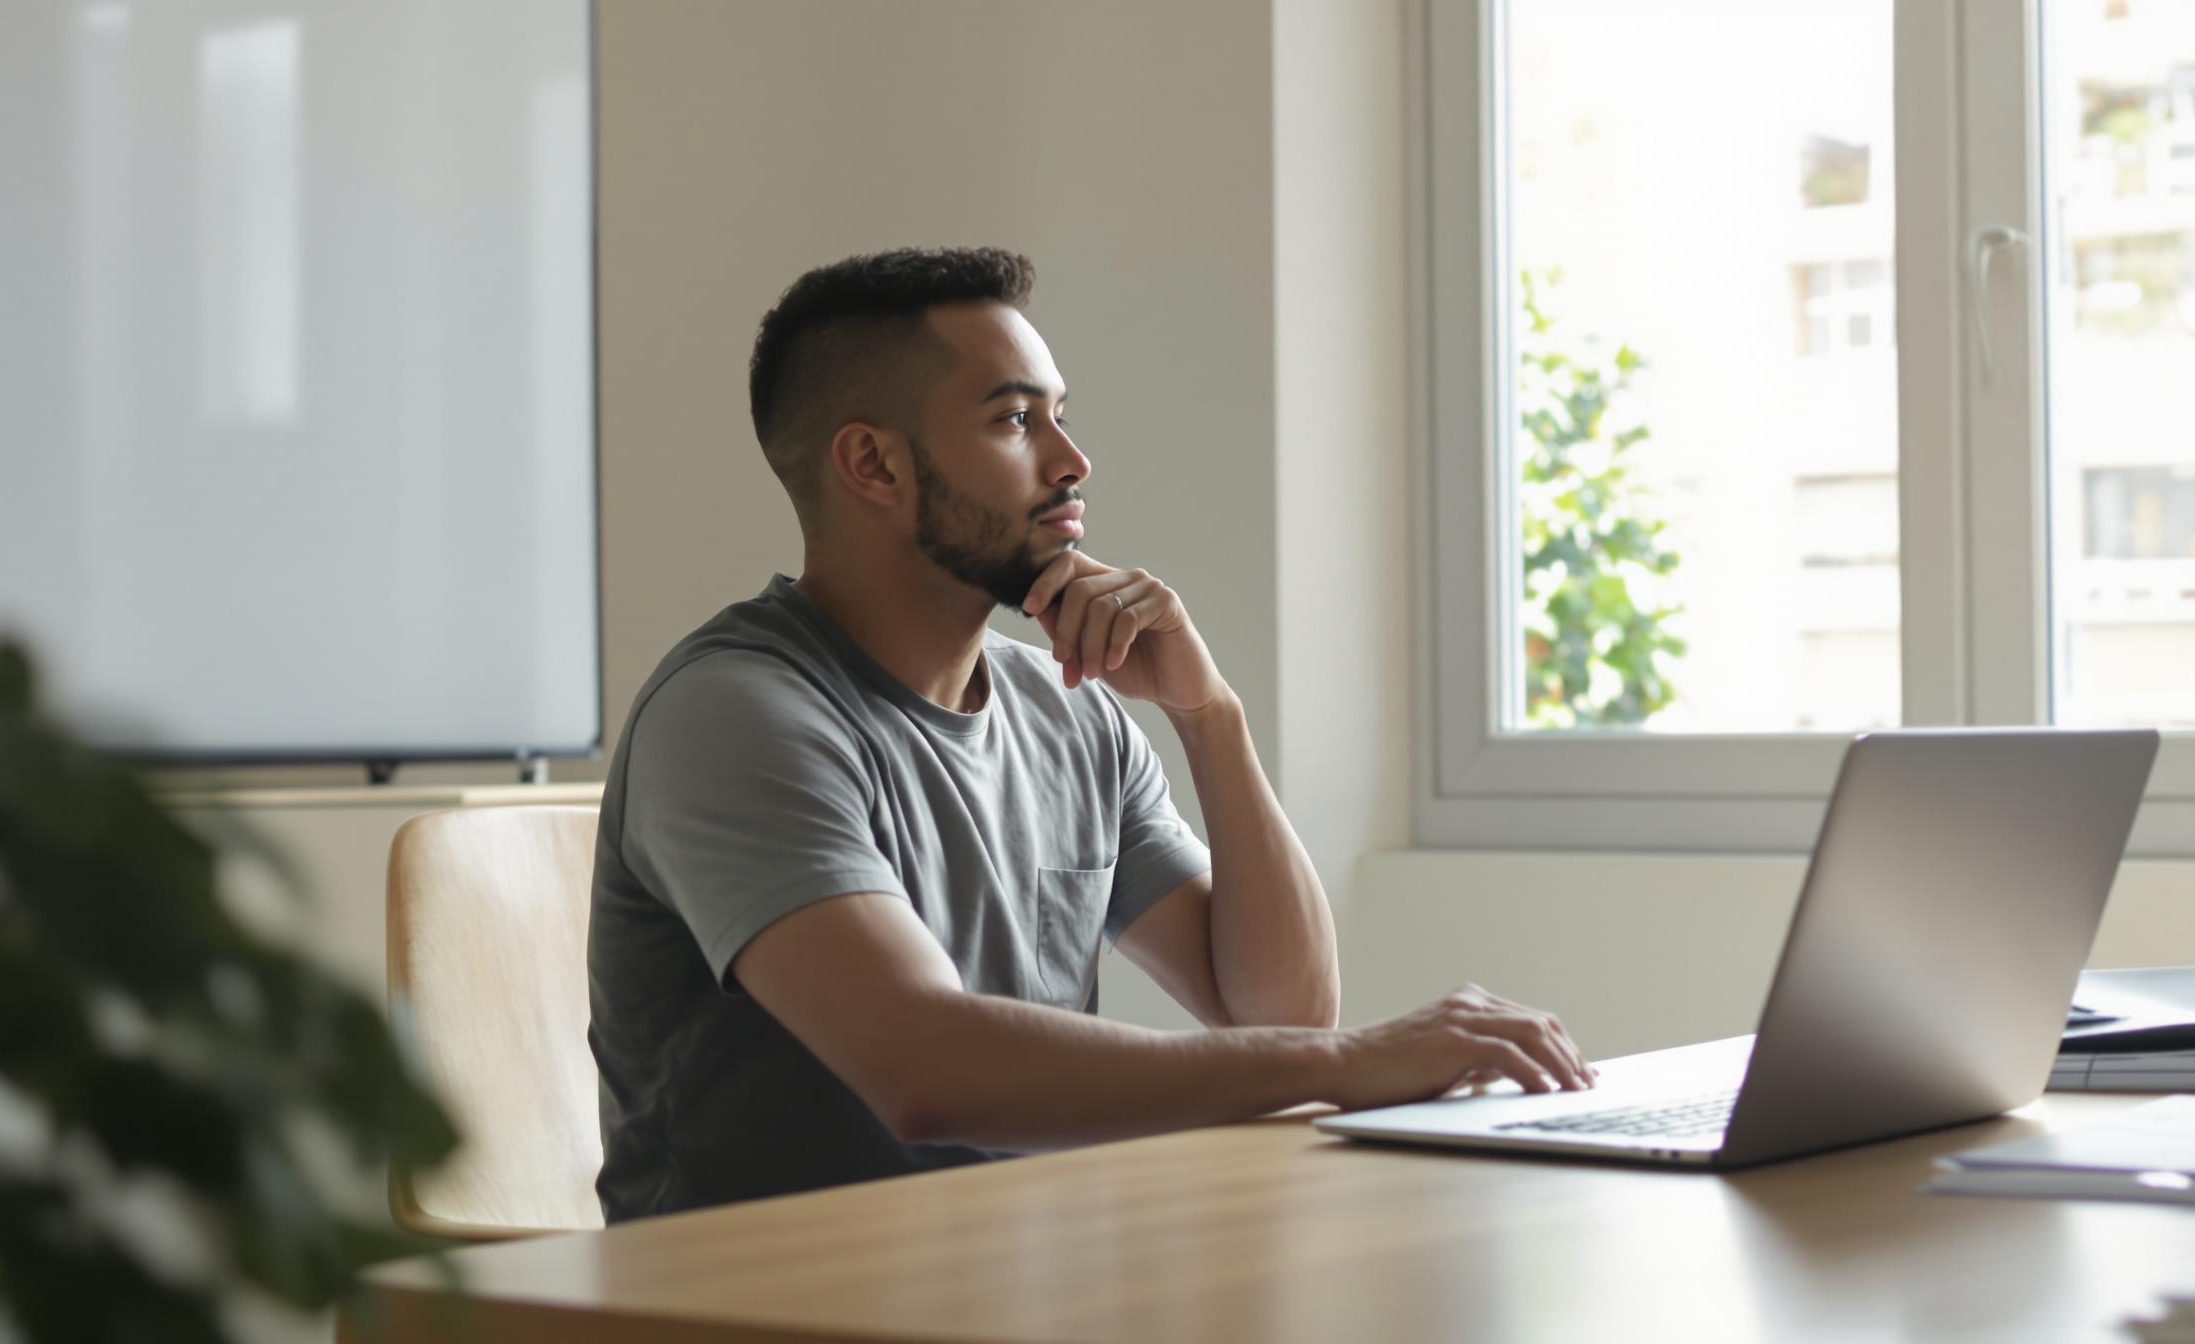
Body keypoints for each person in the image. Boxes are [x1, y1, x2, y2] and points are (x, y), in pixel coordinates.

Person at [586, 247, 1594, 1221]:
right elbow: (922, 1071)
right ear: (873, 464)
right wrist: (1355, 1064)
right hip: (750, 1311)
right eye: (1016, 420)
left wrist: (1211, 717)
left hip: (1024, 1281)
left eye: (1059, 417)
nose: (1073, 461)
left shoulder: (1065, 709)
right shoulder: (736, 717)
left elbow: (1278, 1013)